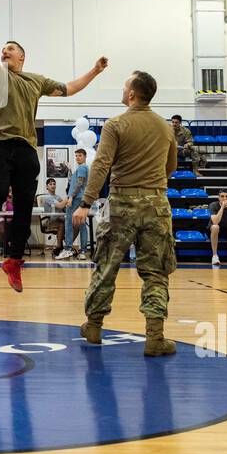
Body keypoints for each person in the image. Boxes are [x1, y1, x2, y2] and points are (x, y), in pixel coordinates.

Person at [0, 0, 107, 291]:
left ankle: (13, 261)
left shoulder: (36, 80)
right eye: (3, 49)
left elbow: (69, 88)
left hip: (25, 148)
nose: (4, 52)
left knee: (24, 207)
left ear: (22, 57)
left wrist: (94, 71)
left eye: (10, 49)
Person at [72, 71, 177, 356]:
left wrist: (85, 202)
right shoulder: (166, 127)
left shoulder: (115, 124)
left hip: (120, 204)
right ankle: (155, 337)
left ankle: (94, 326)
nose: (122, 89)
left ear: (132, 94)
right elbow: (171, 166)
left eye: (124, 85)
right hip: (157, 204)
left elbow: (101, 165)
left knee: (106, 266)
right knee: (156, 272)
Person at [57, 148, 91, 260]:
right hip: (81, 198)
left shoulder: (82, 168)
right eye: (76, 155)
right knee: (81, 224)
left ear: (85, 157)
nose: (77, 157)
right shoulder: (82, 168)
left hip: (76, 198)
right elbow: (74, 182)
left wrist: (71, 196)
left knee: (68, 222)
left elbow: (79, 183)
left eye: (80, 155)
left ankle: (67, 249)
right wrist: (71, 170)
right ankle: (82, 252)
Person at [37, 178, 65, 257]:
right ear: (47, 187)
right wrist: (70, 197)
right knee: (61, 224)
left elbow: (64, 208)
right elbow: (60, 205)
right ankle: (59, 247)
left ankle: (66, 247)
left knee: (73, 223)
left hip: (60, 219)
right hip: (49, 221)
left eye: (54, 184)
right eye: (50, 184)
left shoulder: (58, 197)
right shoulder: (47, 197)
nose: (53, 185)